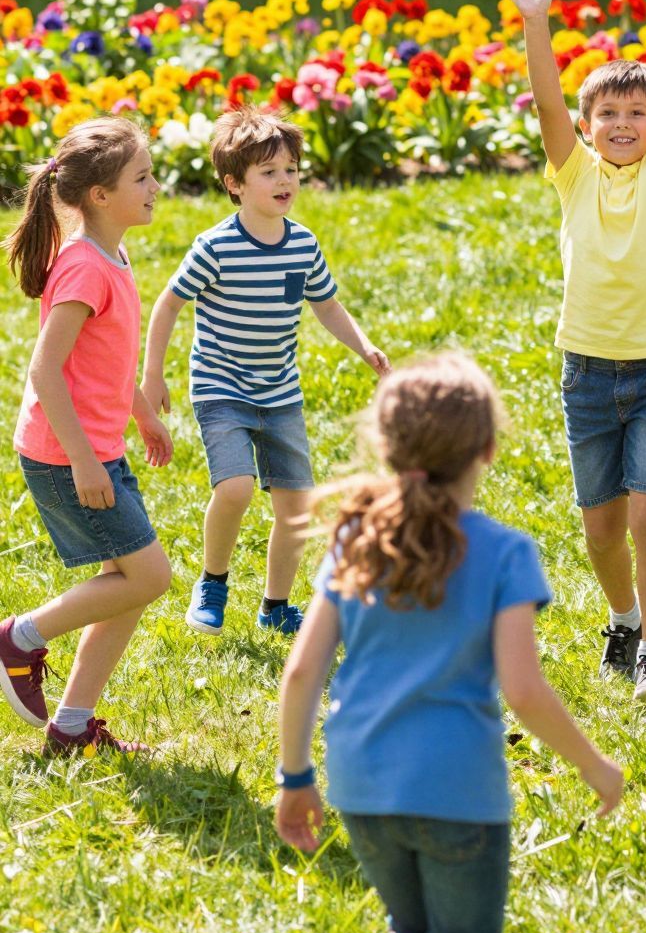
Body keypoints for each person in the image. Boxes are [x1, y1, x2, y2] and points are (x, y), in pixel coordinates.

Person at [274, 352, 623, 933]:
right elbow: (525, 689)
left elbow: (300, 674)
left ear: (388, 448)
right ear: (487, 451)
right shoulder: (503, 553)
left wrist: (294, 780)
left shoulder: (355, 537)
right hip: (459, 793)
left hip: (358, 781)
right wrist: (593, 765)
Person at [493, 0, 646, 709]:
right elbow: (545, 100)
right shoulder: (575, 172)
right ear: (589, 129)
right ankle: (623, 620)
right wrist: (536, 22)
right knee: (601, 531)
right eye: (607, 116)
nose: (621, 126)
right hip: (587, 371)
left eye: (636, 116)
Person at [143, 108, 388, 640]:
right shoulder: (215, 247)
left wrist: (363, 345)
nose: (286, 181)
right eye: (270, 171)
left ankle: (275, 606)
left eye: (292, 170)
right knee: (234, 489)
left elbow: (326, 305)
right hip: (221, 387)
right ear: (235, 183)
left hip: (280, 392)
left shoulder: (302, 243)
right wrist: (152, 376)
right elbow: (167, 305)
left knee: (296, 506)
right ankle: (212, 583)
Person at [0, 120, 173, 757]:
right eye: (143, 177)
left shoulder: (112, 254)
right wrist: (83, 463)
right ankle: (18, 638)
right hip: (65, 455)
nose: (157, 186)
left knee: (122, 580)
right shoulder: (82, 268)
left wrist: (140, 414)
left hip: (96, 448)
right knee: (148, 576)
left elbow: (103, 358)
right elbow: (46, 369)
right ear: (99, 195)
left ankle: (72, 726)